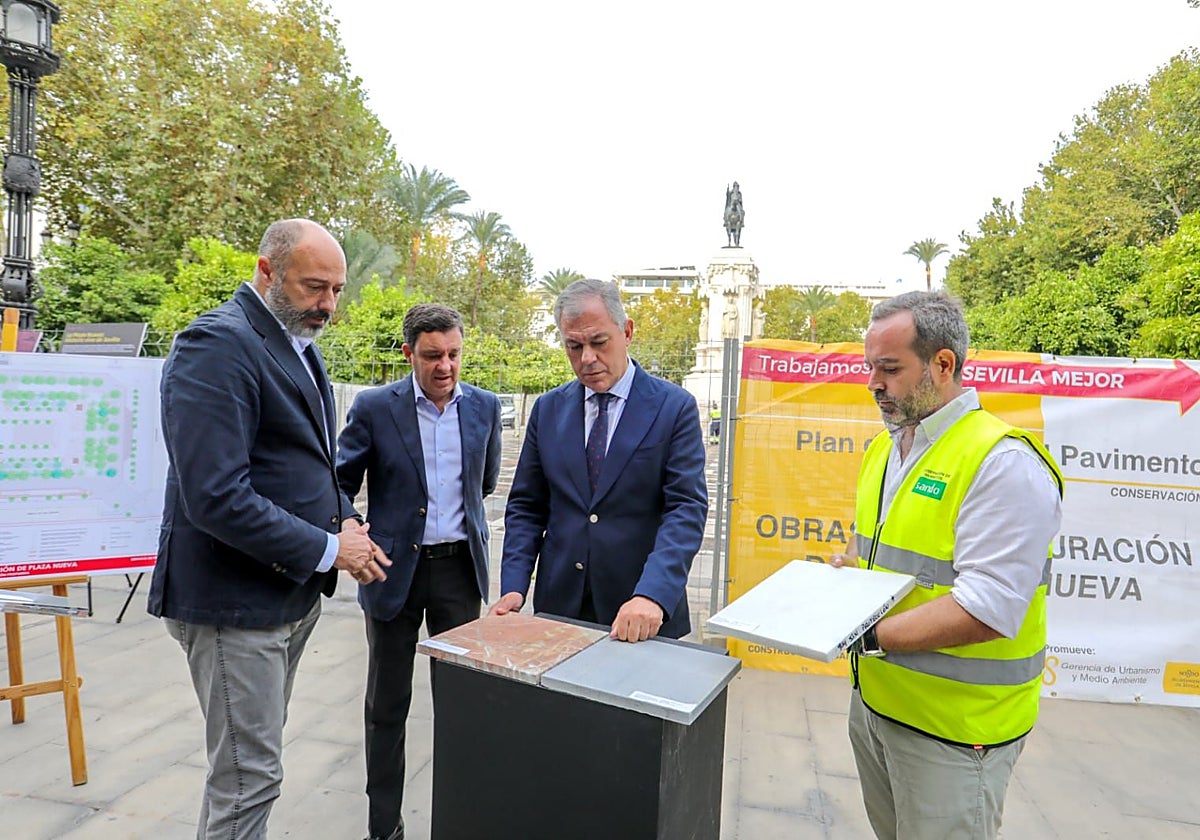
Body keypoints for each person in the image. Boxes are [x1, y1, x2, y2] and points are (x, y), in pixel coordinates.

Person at [149, 219, 391, 838]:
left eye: (337, 290)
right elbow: (215, 497)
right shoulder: (217, 344)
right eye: (314, 287)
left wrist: (347, 519)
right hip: (235, 605)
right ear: (266, 270)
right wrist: (330, 549)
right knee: (248, 779)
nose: (328, 305)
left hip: (284, 597)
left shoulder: (295, 342)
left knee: (246, 773)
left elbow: (305, 465)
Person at [830, 291, 1063, 840]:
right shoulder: (886, 449)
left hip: (956, 733)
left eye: (890, 369)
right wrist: (843, 576)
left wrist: (863, 636)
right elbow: (881, 557)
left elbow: (987, 608)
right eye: (870, 367)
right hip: (879, 707)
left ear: (942, 364)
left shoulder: (1001, 462)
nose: (873, 383)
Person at [335, 303, 502, 840]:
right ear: (409, 353)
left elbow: (484, 483)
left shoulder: (484, 407)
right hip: (391, 573)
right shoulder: (375, 407)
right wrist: (351, 528)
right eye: (432, 355)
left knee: (461, 705)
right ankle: (384, 827)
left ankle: (461, 820)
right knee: (387, 706)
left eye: (453, 354)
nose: (445, 366)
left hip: (458, 573)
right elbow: (337, 484)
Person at [489, 278, 708, 642]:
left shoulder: (673, 408)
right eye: (574, 346)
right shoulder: (548, 410)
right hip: (559, 609)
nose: (587, 358)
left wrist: (652, 593)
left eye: (598, 342)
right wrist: (514, 586)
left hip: (641, 612)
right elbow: (527, 506)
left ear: (627, 332)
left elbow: (685, 509)